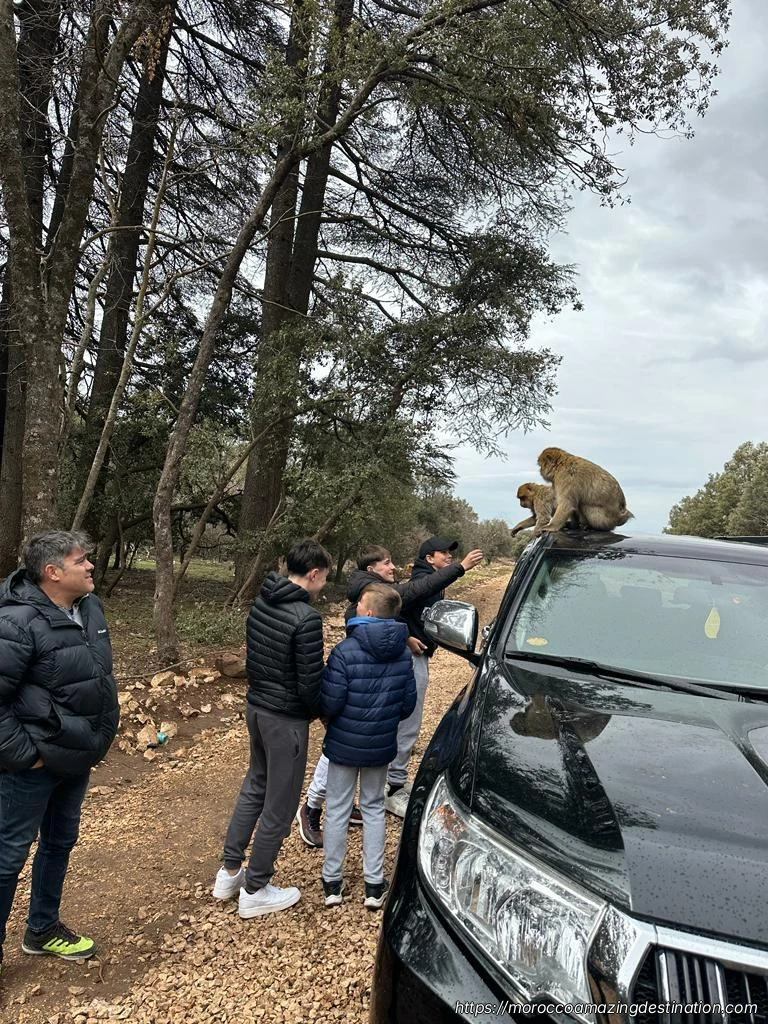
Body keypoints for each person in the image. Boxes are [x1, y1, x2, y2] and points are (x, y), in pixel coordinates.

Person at [296, 542, 476, 846]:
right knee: (346, 740)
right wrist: (460, 568)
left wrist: (403, 636)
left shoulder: (371, 588)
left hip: (375, 680)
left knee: (357, 739)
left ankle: (346, 805)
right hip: (365, 683)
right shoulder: (370, 591)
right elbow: (407, 596)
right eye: (387, 563)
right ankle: (312, 807)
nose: (393, 567)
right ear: (372, 569)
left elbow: (389, 618)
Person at [0, 531, 119, 971]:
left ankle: (42, 929)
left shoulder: (88, 606)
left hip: (78, 753)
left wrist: (100, 733)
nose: (90, 566)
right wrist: (24, 754)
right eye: (80, 561)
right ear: (53, 572)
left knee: (59, 842)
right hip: (31, 764)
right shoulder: (16, 622)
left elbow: (97, 676)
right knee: (8, 856)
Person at [212, 539, 331, 918]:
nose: (323, 585)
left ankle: (230, 871)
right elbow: (310, 683)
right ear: (313, 574)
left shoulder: (263, 600)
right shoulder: (306, 618)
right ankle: (256, 887)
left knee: (255, 786)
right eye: (324, 578)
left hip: (258, 707)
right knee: (280, 804)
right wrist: (322, 713)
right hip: (286, 719)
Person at [320, 583, 416, 910]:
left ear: (370, 612)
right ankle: (374, 886)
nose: (357, 606)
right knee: (374, 807)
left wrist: (332, 723)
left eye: (360, 603)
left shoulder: (345, 651)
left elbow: (330, 702)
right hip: (381, 746)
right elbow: (407, 705)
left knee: (337, 809)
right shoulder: (404, 653)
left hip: (343, 744)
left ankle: (332, 883)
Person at [384, 536, 483, 817]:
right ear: (429, 558)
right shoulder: (422, 582)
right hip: (410, 660)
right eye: (443, 553)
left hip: (415, 657)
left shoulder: (427, 581)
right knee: (408, 724)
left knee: (405, 724)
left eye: (451, 554)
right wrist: (407, 637)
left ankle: (390, 783)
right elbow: (400, 607)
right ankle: (393, 788)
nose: (449, 556)